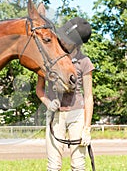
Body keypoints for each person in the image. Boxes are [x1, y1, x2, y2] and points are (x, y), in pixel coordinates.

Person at [36, 17, 95, 171]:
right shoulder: (49, 59)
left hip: (77, 115)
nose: (62, 40)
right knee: (53, 166)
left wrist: (87, 128)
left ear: (76, 43)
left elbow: (88, 97)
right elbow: (39, 90)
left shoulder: (84, 62)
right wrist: (48, 103)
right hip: (55, 116)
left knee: (78, 165)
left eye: (67, 39)